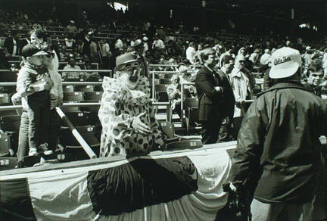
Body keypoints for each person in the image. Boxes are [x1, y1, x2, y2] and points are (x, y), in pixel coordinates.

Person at [230, 47, 327, 221]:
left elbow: (247, 147)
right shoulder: (316, 102)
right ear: (299, 69)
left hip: (269, 186)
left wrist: (236, 180)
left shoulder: (262, 102)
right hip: (306, 186)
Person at [98, 52, 167, 157]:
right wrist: (129, 122)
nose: (135, 72)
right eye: (129, 69)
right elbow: (106, 119)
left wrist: (158, 139)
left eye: (137, 68)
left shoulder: (143, 93)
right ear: (118, 74)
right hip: (119, 157)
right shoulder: (112, 92)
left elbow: (152, 121)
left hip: (143, 155)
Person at [12, 44, 52, 157]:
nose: (41, 58)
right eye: (38, 57)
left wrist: (46, 85)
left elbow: (50, 84)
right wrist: (41, 86)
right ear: (29, 59)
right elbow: (23, 91)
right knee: (32, 127)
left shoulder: (42, 68)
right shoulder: (25, 71)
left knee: (44, 123)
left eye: (41, 56)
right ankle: (32, 148)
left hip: (44, 102)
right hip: (29, 108)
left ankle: (42, 145)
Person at [195, 48, 234, 144]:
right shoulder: (202, 73)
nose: (216, 59)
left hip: (216, 112)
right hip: (208, 113)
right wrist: (219, 89)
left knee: (214, 141)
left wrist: (219, 89)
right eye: (212, 57)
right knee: (207, 141)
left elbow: (225, 90)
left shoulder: (214, 74)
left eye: (216, 56)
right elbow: (211, 92)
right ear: (204, 59)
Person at [230, 55, 254, 137]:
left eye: (244, 61)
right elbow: (232, 88)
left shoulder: (245, 72)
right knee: (238, 122)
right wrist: (238, 98)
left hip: (247, 100)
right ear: (235, 61)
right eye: (240, 61)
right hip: (238, 101)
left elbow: (251, 85)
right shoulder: (233, 73)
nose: (242, 63)